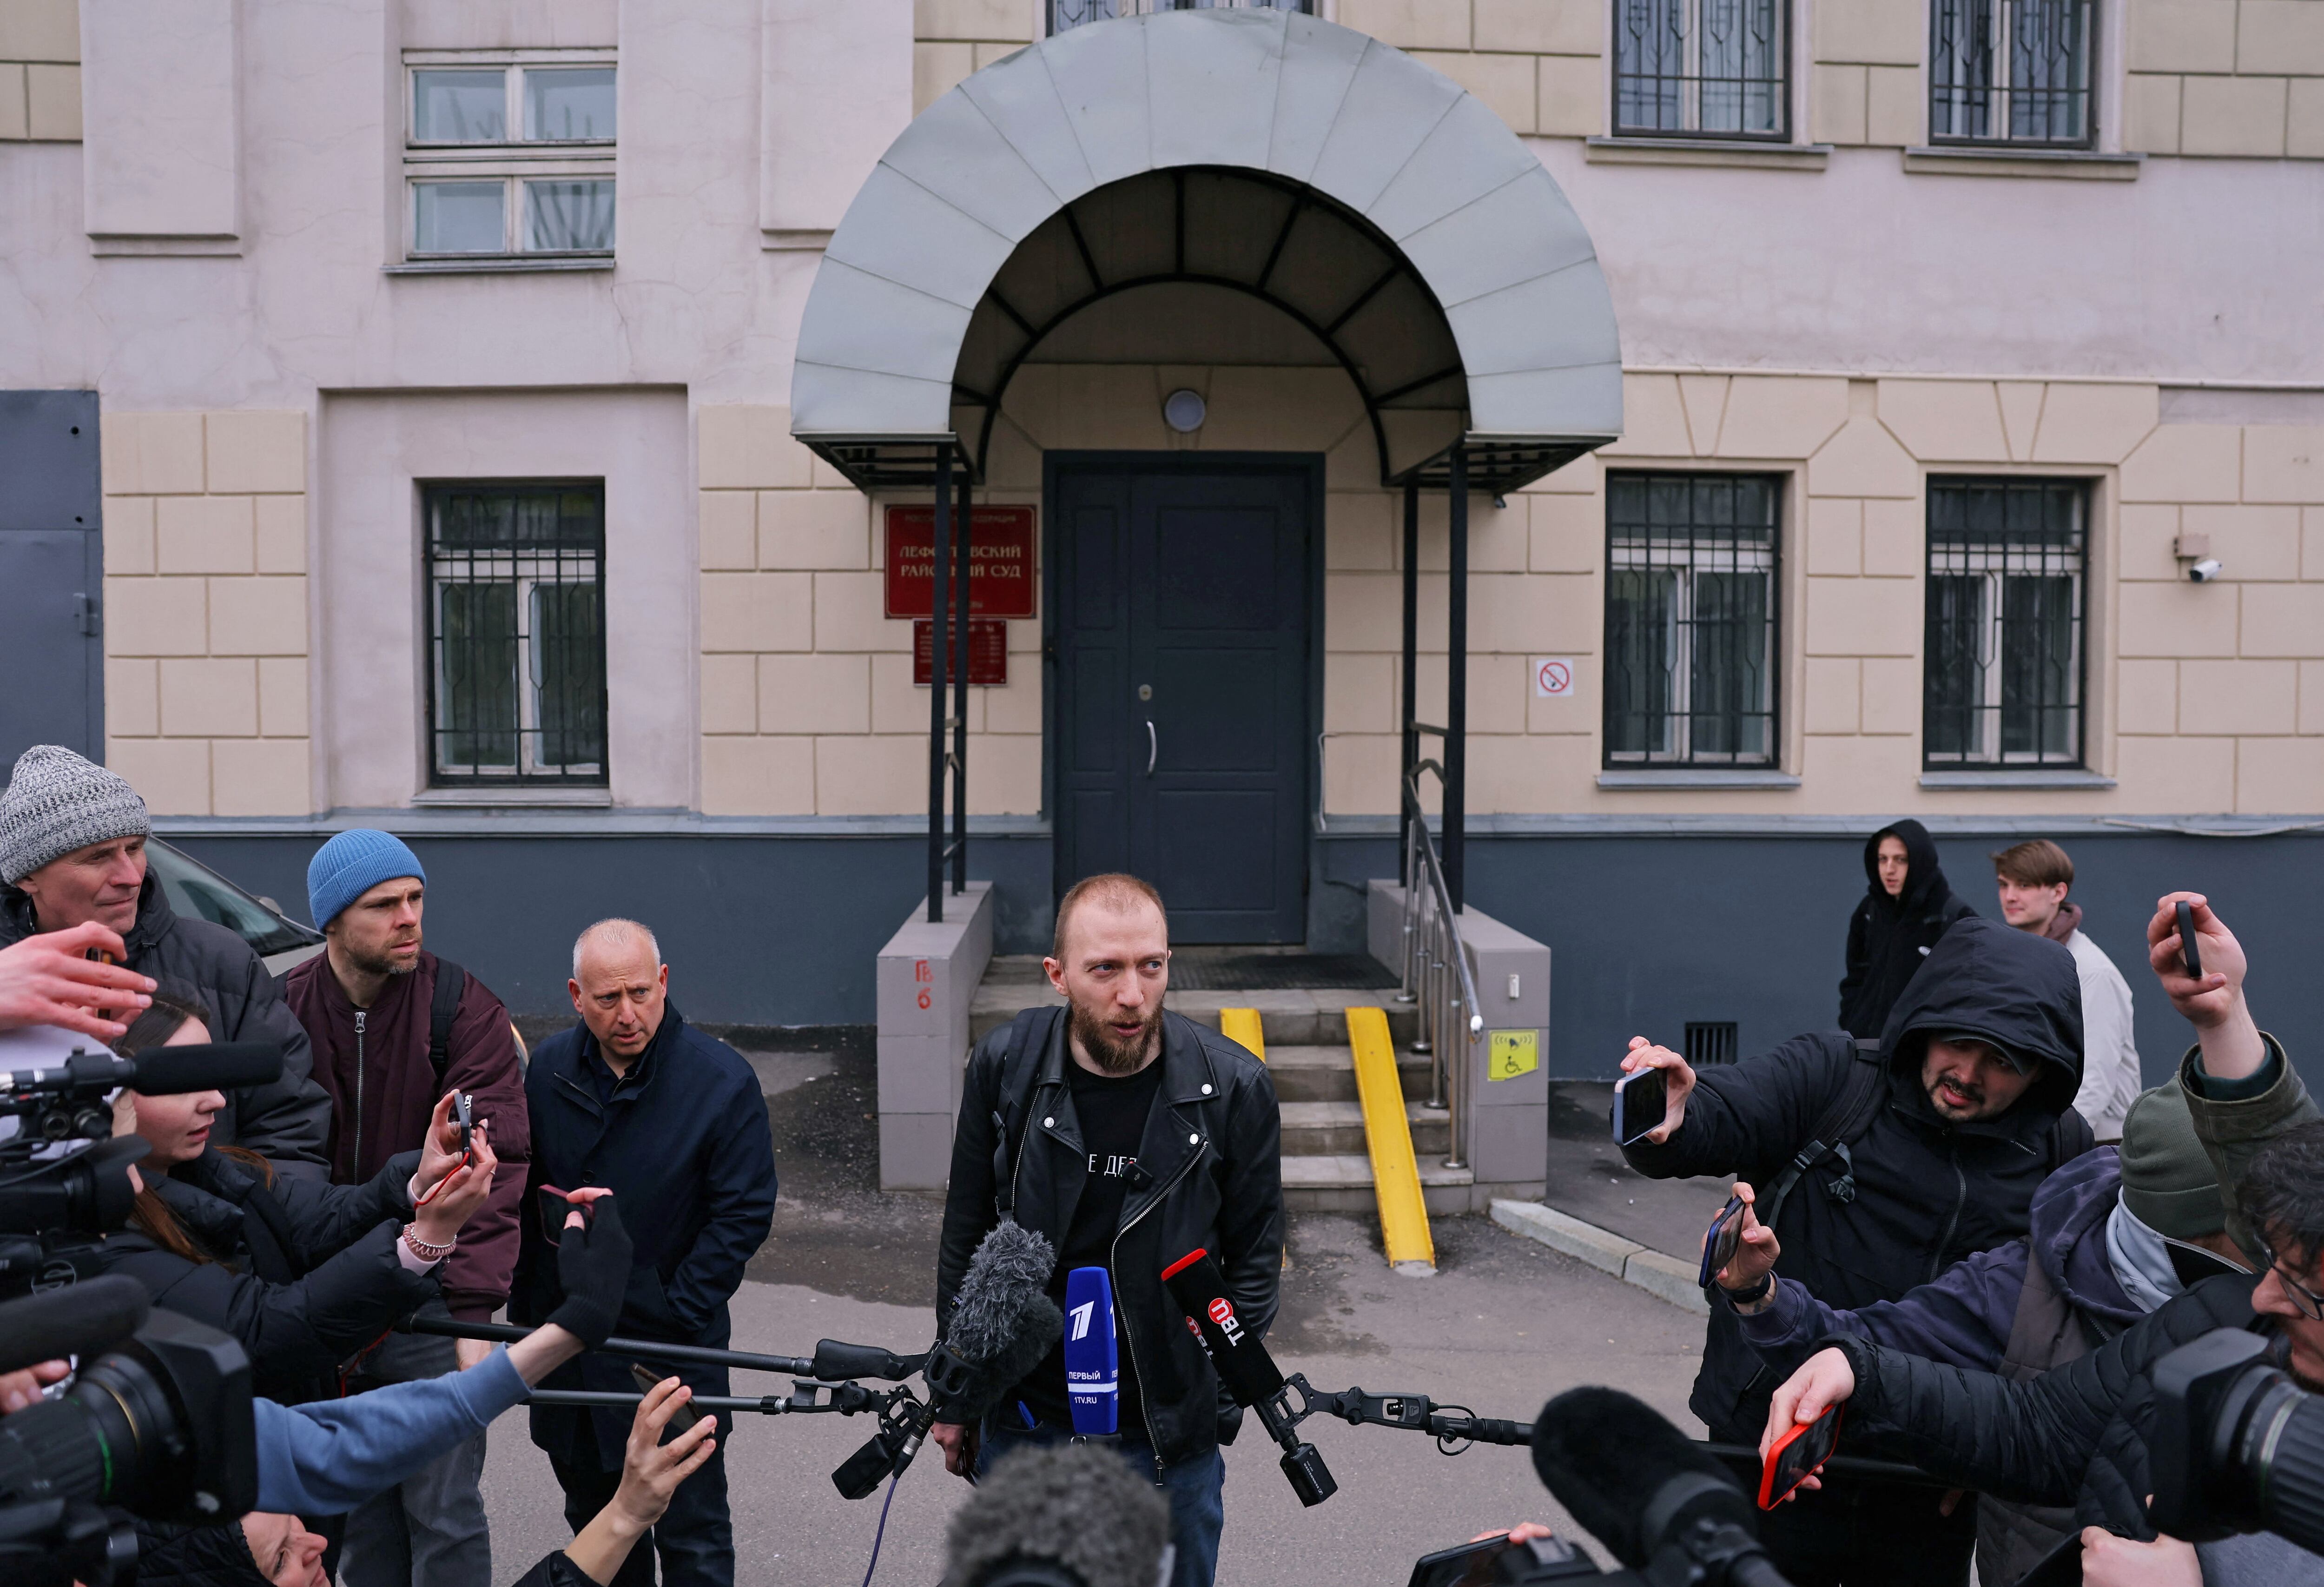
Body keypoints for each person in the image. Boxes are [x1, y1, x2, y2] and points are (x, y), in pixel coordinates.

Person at [1757, 893, 2324, 1587]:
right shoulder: (2215, 1321)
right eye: (2270, 1257)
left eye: (2297, 1281)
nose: (2265, 1290)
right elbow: (2042, 1428)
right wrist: (1853, 1363)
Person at [1622, 914, 2093, 1587]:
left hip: (1926, 1478)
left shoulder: (2058, 1148)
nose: (1968, 1073)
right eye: (1957, 1043)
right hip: (1768, 1442)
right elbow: (1726, 1110)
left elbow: (2061, 1326)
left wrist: (1996, 1456)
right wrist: (1672, 1115)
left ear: (2042, 1071)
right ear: (1926, 1024)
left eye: (2004, 1062)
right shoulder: (1837, 1077)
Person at [1707, 1082, 2247, 1587]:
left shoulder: (2292, 1300)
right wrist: (1760, 1295)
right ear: (2195, 1229)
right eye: (2258, 1226)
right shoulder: (2014, 1288)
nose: (2284, 1249)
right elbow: (2020, 1422)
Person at [931, 873, 1284, 1587]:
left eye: (1151, 966)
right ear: (1058, 975)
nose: (1133, 994)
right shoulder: (1007, 1069)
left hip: (1163, 1443)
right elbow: (968, 1234)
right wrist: (959, 1394)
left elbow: (1253, 1264)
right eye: (1106, 969)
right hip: (1030, 1425)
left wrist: (1205, 1405)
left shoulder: (1234, 1087)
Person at [281, 828, 529, 1587]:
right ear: (332, 921)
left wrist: (473, 1312)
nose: (409, 917)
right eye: (384, 904)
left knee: (443, 1508)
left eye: (416, 897)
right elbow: (259, 1164)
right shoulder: (279, 1009)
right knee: (357, 1514)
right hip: (326, 1300)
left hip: (431, 1301)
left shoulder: (461, 1005)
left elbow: (499, 1162)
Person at [513, 919, 776, 1587]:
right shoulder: (546, 1070)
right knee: (599, 1533)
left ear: (663, 982)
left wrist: (676, 1304)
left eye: (640, 992)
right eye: (607, 999)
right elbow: (523, 1195)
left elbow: (743, 1212)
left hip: (675, 1355)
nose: (627, 1014)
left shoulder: (721, 1080)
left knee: (694, 1539)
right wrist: (536, 1318)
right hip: (573, 1354)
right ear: (576, 995)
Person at [100, 985, 499, 1403]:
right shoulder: (106, 1235)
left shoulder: (218, 1169)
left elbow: (320, 1221)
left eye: (212, 1076)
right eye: (182, 1083)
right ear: (109, 1098)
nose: (216, 1101)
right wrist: (423, 1241)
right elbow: (262, 1334)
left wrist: (419, 1181)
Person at [0, 745, 330, 1175]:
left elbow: (289, 1129)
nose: (131, 876)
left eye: (135, 848)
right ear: (28, 876)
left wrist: (231, 1225)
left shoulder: (222, 962)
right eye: (98, 857)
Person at [1993, 839, 2142, 1142]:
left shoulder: (2091, 972)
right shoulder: (2018, 958)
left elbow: (2094, 1082)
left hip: (2097, 1144)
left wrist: (2046, 1147)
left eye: (2024, 885)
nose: (2010, 896)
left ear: (2058, 893)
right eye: (2004, 884)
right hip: (2043, 1133)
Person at [1838, 819, 1975, 1039]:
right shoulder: (1869, 911)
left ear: (1920, 861)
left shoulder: (1953, 916)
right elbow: (1855, 978)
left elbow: (1964, 994)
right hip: (1864, 1047)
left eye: (1901, 860)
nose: (1889, 870)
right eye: (1883, 859)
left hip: (1916, 1054)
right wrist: (1852, 1022)